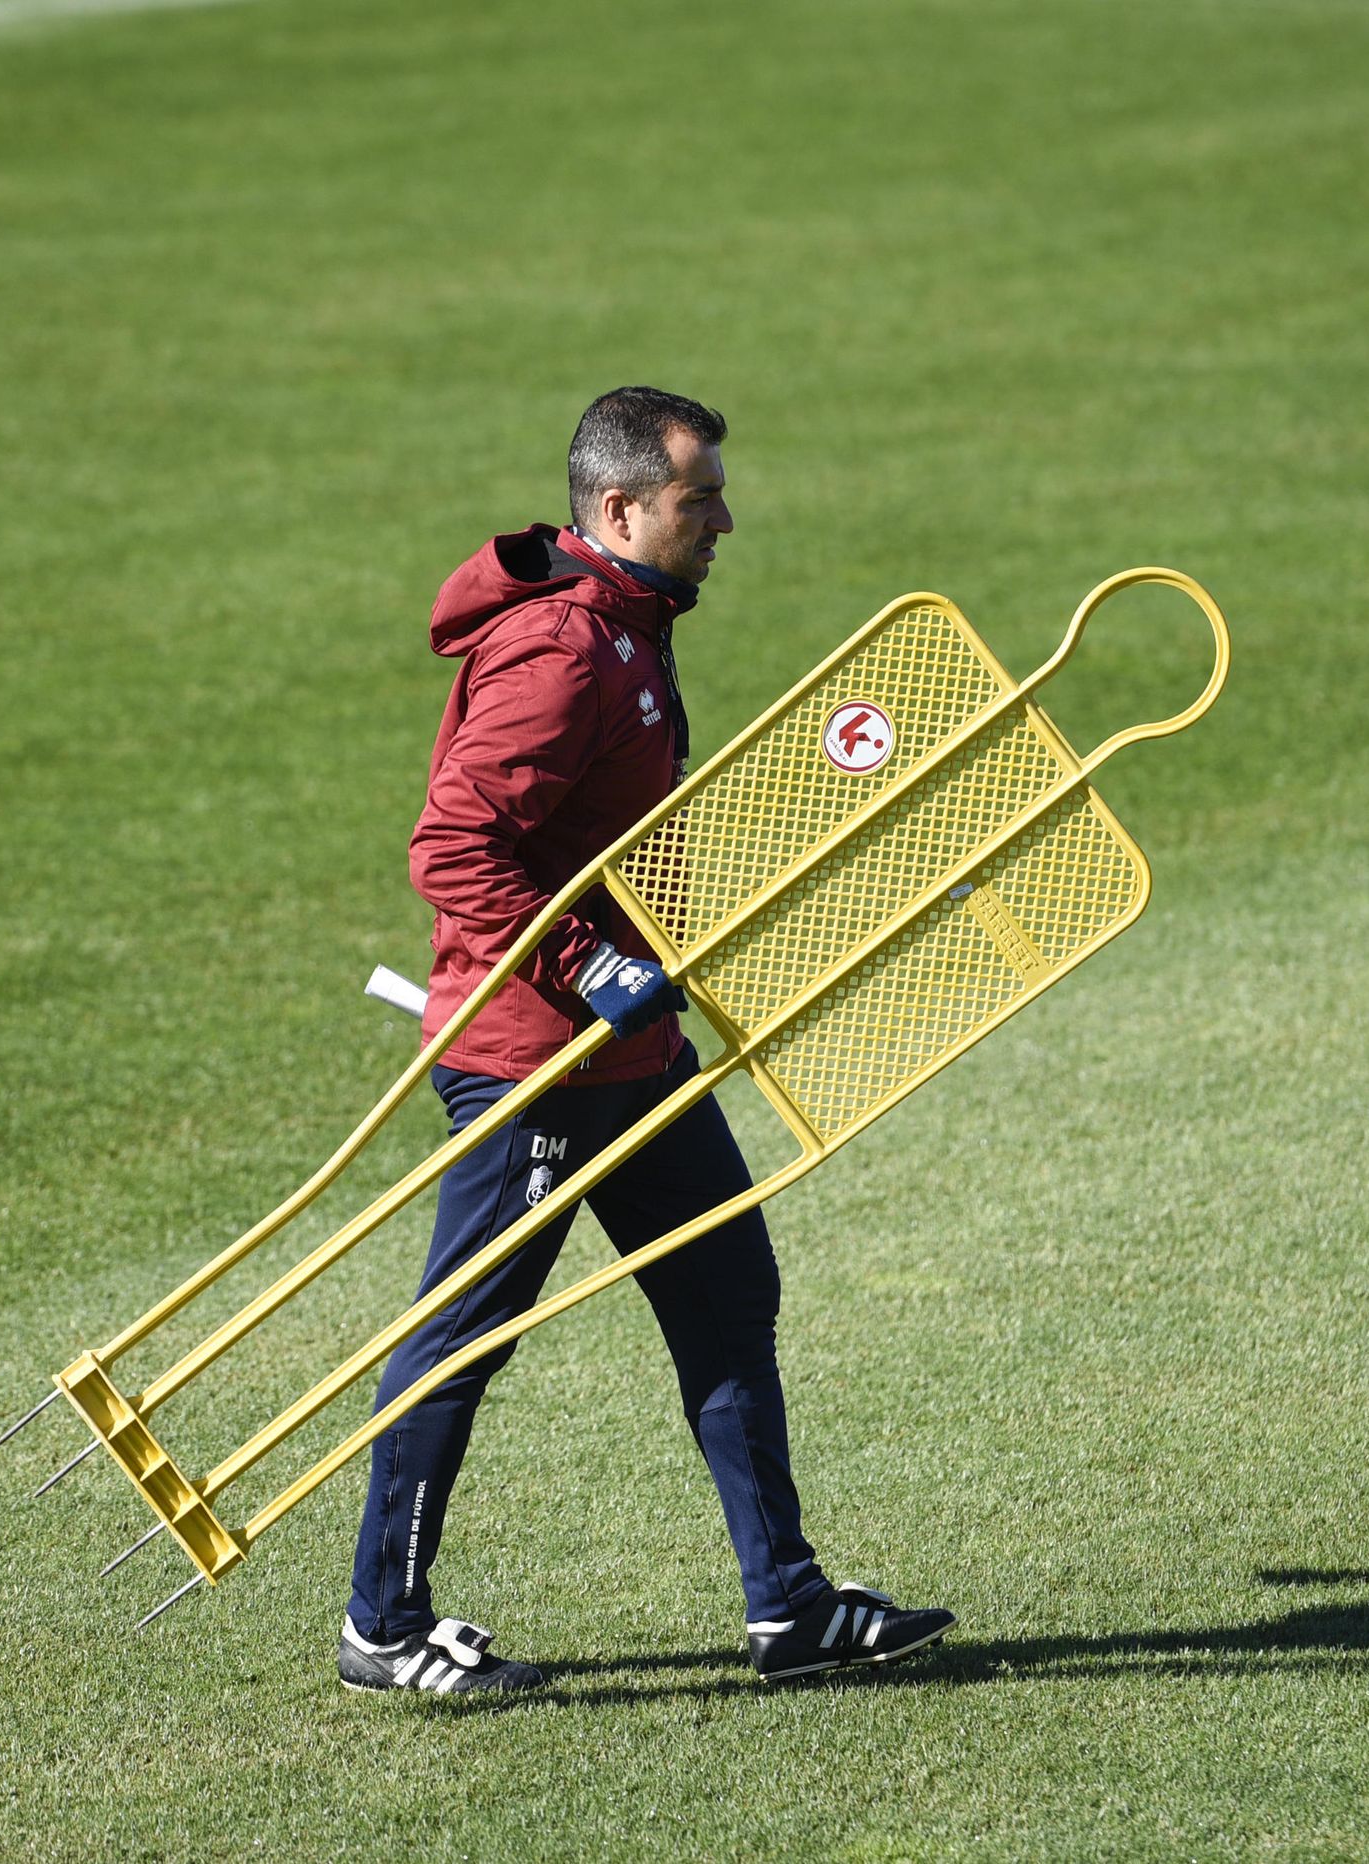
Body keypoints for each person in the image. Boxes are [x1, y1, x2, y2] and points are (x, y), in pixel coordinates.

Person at [338, 387, 954, 1699]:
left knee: (731, 1298)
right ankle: (382, 1627)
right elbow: (452, 846)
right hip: (534, 1061)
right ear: (618, 509)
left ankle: (786, 1605)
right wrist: (586, 960)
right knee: (466, 1334)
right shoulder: (564, 652)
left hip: (633, 1056)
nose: (724, 519)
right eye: (698, 500)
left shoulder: (627, 625)